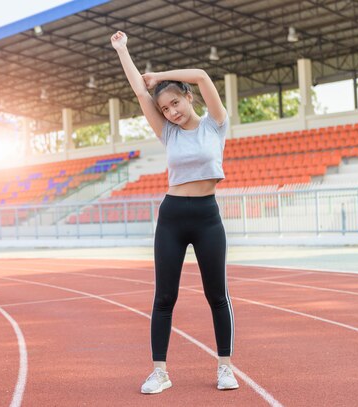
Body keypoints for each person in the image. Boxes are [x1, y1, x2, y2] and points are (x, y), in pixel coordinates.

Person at [110, 30, 239, 393]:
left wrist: (161, 75)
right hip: (172, 218)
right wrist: (123, 50)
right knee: (164, 297)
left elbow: (201, 75)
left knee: (218, 294)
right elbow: (139, 92)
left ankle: (225, 367)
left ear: (187, 96)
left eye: (174, 104)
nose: (171, 112)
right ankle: (160, 372)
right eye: (165, 109)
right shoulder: (169, 133)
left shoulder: (216, 124)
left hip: (207, 217)